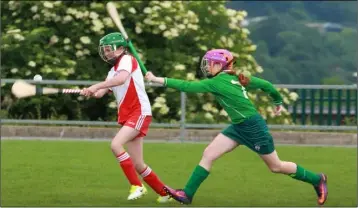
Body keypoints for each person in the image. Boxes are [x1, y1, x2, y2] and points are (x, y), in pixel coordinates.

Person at [145, 49, 328, 205]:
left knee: (276, 166)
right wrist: (277, 101)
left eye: (210, 63)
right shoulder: (240, 77)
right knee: (209, 154)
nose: (207, 67)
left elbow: (186, 86)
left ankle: (317, 179)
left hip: (253, 128)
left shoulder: (216, 82)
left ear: (219, 66)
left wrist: (156, 79)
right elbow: (267, 85)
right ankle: (186, 194)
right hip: (238, 127)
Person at [80, 32, 171, 203]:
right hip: (128, 115)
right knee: (138, 164)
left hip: (139, 112)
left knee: (115, 144)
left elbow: (121, 79)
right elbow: (100, 93)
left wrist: (97, 85)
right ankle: (165, 194)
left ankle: (137, 186)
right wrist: (89, 91)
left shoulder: (127, 60)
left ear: (120, 49)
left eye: (108, 50)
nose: (106, 53)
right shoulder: (112, 71)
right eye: (104, 50)